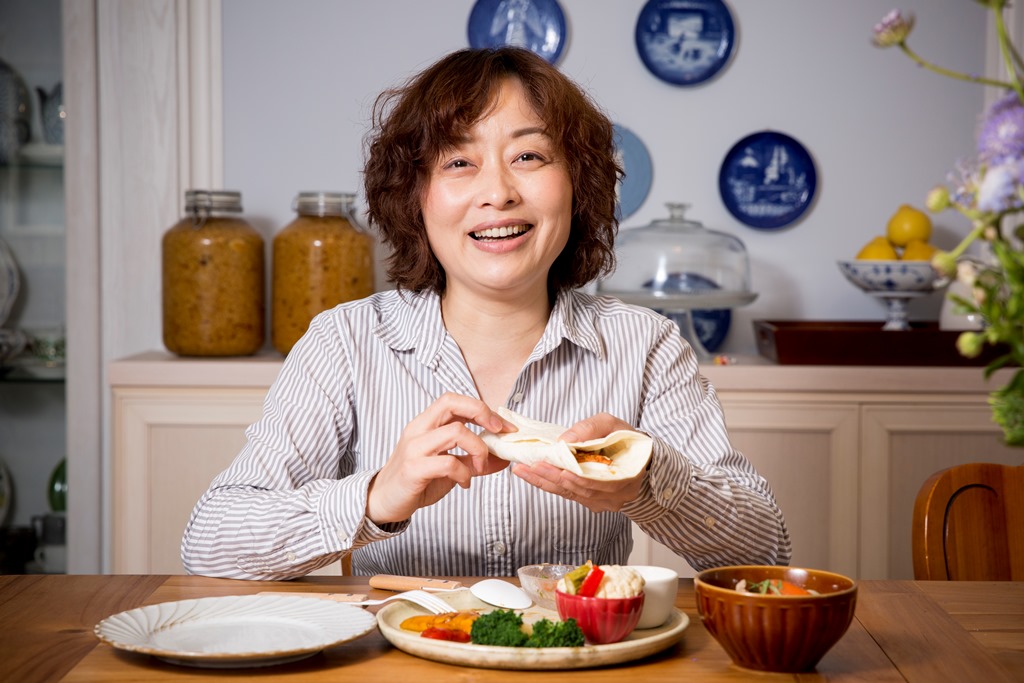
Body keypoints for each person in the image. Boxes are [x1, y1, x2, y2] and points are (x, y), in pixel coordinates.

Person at [181, 46, 791, 579]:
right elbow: (211, 542)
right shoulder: (346, 341)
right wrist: (376, 497)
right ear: (414, 197)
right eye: (457, 162)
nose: (497, 191)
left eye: (529, 157)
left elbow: (765, 554)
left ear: (578, 185)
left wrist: (650, 480)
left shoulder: (646, 345)